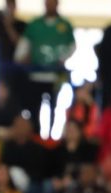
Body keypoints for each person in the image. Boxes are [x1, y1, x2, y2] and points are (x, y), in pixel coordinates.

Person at [15, 0, 74, 136]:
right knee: (34, 108)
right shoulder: (34, 24)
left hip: (55, 76)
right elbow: (23, 47)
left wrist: (62, 59)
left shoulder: (65, 25)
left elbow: (72, 46)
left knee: (54, 106)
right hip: (35, 75)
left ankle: (51, 137)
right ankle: (36, 135)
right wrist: (22, 58)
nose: (50, 5)